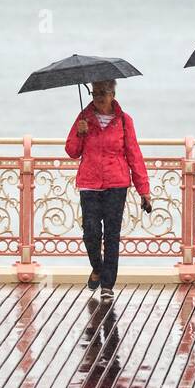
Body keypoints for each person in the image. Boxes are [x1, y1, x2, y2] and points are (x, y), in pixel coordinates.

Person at [65, 79, 152, 297]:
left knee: (112, 235)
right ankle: (97, 267)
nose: (98, 97)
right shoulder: (83, 119)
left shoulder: (124, 120)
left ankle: (107, 285)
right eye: (94, 93)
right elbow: (72, 151)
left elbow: (134, 155)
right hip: (90, 184)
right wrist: (79, 132)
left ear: (113, 94)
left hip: (117, 183)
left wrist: (144, 190)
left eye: (103, 93)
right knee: (91, 232)